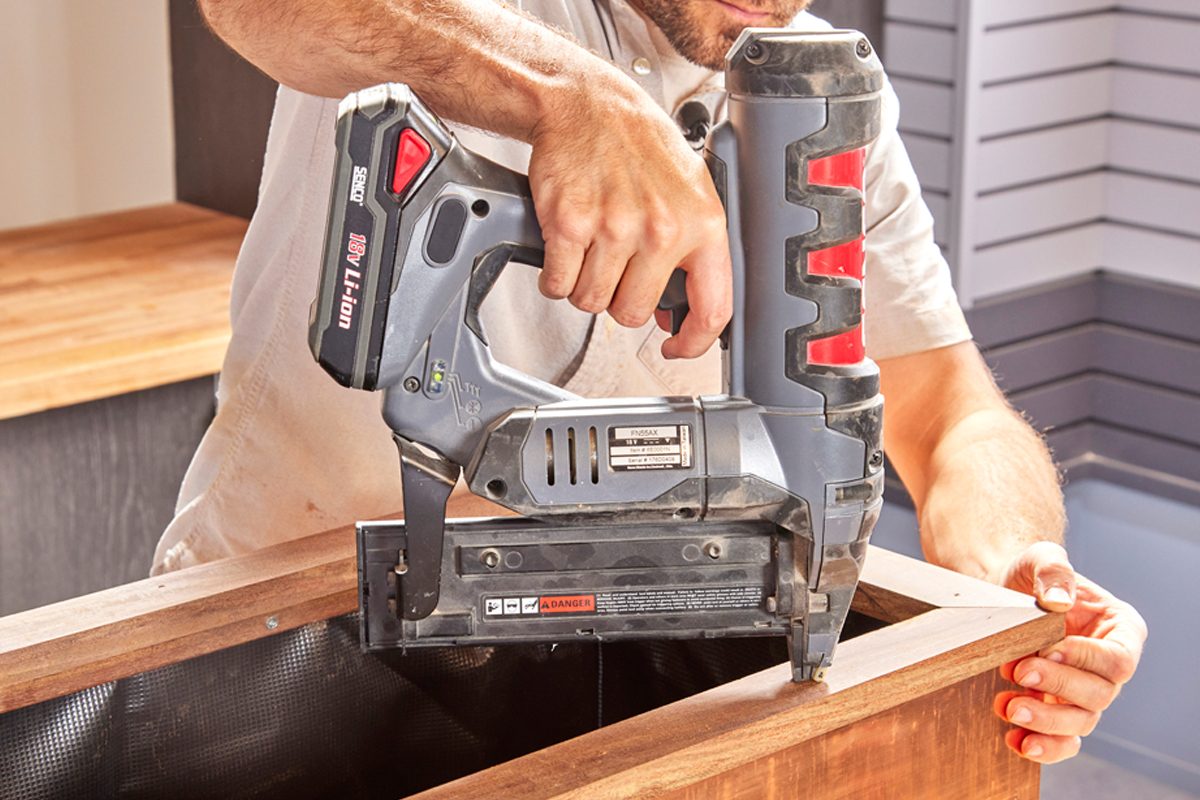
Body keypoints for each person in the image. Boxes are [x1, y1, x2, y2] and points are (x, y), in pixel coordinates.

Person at [163, 0, 1146, 766]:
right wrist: (569, 96)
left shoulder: (815, 86)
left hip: (637, 670)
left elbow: (949, 416)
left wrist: (1023, 572)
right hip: (286, 642)